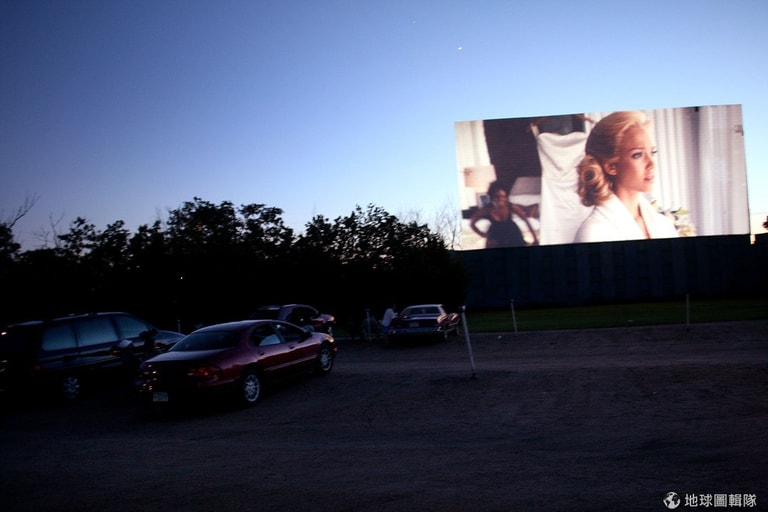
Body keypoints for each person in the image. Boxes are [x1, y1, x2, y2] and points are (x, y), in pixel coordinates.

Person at [573, 111, 679, 243]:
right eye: (638, 155)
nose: (651, 164)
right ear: (611, 167)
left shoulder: (663, 225)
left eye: (652, 153)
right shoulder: (594, 233)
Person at [469, 181, 526, 248]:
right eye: (497, 196)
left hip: (513, 234)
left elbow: (526, 220)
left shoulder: (511, 207)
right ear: (492, 197)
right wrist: (482, 234)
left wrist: (535, 238)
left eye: (503, 196)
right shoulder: (486, 210)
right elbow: (472, 224)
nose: (500, 199)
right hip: (495, 236)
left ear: (506, 197)